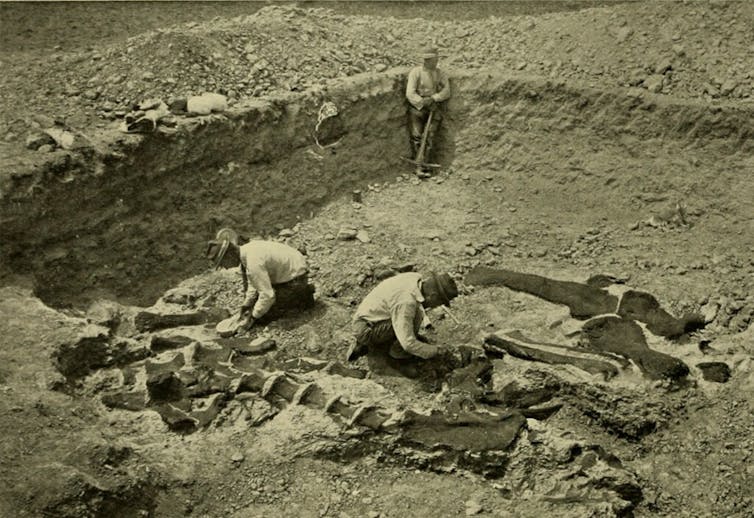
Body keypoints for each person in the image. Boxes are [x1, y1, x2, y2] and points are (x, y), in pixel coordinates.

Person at [205, 228, 315, 331]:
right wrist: (247, 304)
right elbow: (254, 282)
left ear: (229, 256)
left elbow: (268, 295)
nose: (226, 268)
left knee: (263, 316)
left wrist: (253, 317)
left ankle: (303, 295)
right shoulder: (248, 250)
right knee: (257, 305)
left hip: (296, 278)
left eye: (223, 264)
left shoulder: (253, 261)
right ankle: (298, 293)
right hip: (291, 271)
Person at [346, 271, 459, 362]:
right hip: (365, 327)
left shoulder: (415, 278)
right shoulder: (407, 302)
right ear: (433, 296)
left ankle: (382, 343)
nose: (436, 307)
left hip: (374, 314)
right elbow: (408, 344)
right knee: (415, 316)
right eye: (439, 302)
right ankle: (396, 354)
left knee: (414, 314)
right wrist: (436, 351)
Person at [405, 46, 451, 178]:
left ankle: (426, 164)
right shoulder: (416, 72)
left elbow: (446, 91)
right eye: (425, 59)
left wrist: (434, 98)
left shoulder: (440, 73)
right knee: (417, 136)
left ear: (436, 59)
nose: (427, 62)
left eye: (430, 59)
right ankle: (418, 165)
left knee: (430, 136)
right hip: (417, 109)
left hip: (433, 109)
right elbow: (410, 93)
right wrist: (422, 102)